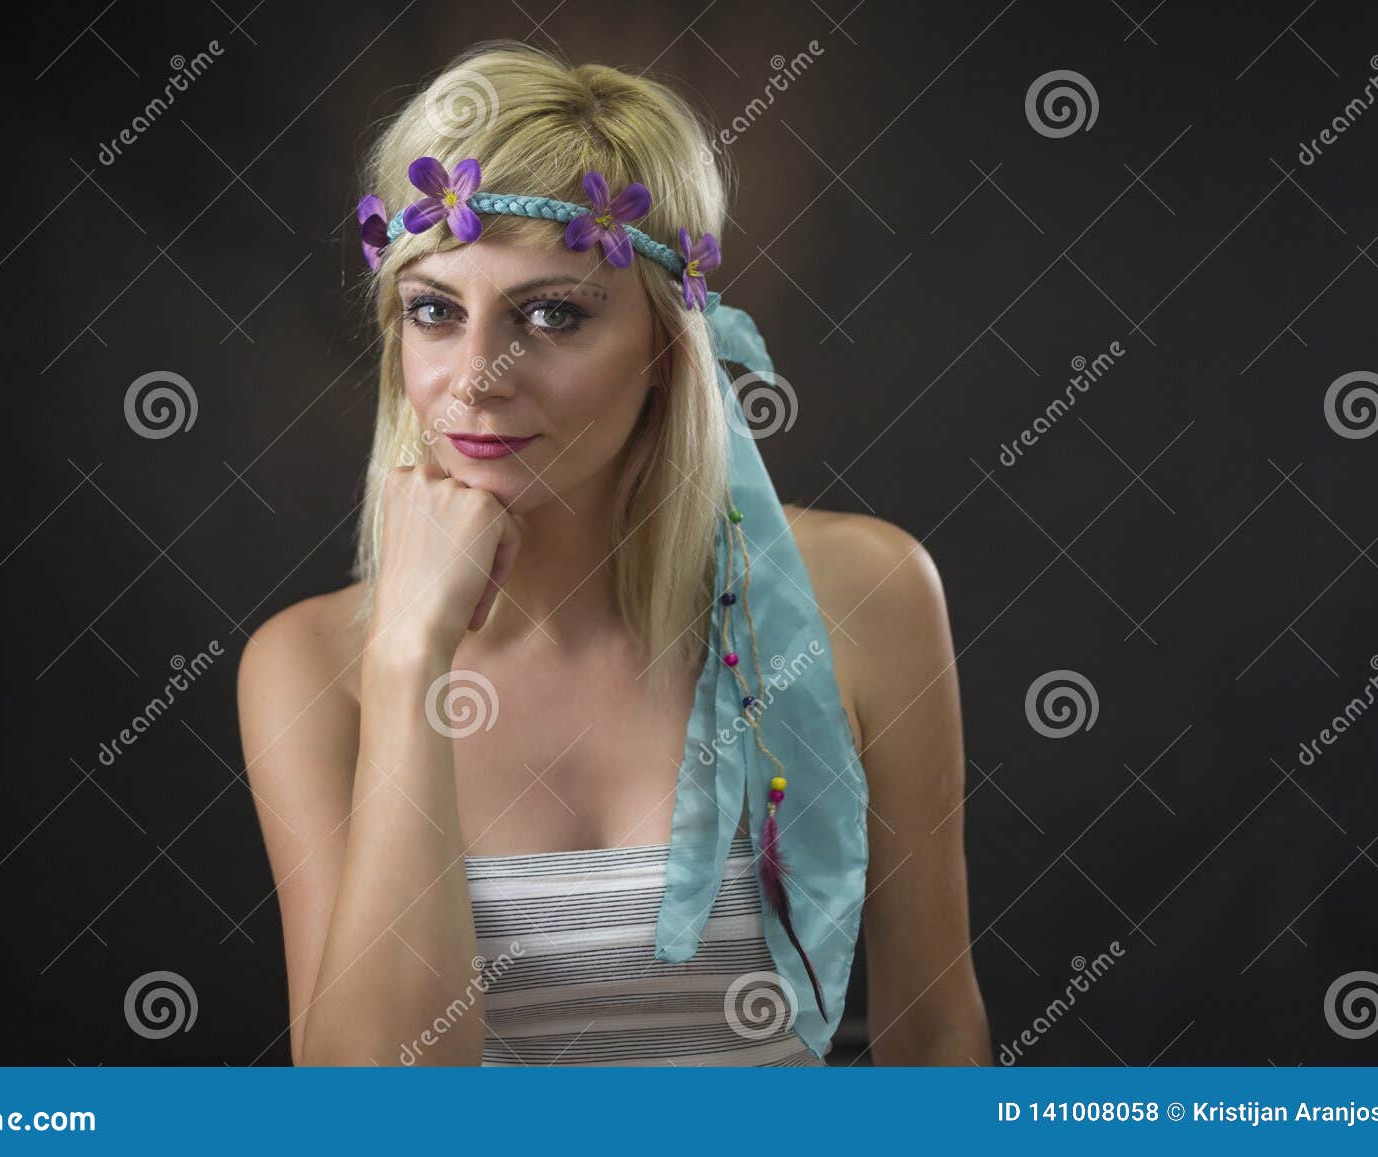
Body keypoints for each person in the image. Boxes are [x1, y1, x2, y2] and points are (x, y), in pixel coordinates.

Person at [236, 39, 989, 1067]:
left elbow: (936, 1036)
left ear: (665, 348)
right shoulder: (313, 664)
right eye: (435, 311)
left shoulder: (866, 593)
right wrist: (409, 654)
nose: (477, 378)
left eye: (552, 313)